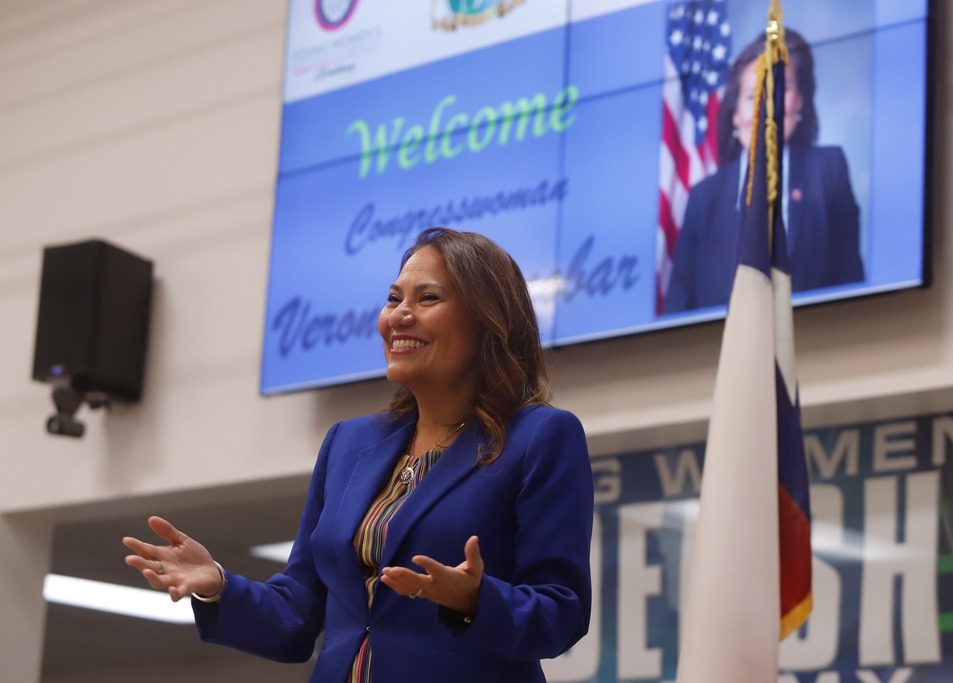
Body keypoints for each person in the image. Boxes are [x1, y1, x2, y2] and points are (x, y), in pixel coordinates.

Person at [123, 227, 594, 683]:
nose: (399, 315)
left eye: (426, 299)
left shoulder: (541, 436)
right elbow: (298, 614)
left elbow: (561, 612)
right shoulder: (347, 445)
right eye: (394, 299)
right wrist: (219, 584)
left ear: (488, 320)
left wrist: (474, 599)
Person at [663, 27, 865, 313]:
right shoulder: (703, 198)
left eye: (780, 89)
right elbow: (678, 309)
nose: (765, 107)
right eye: (751, 96)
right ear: (735, 115)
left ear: (799, 103)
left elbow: (852, 288)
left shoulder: (829, 170)